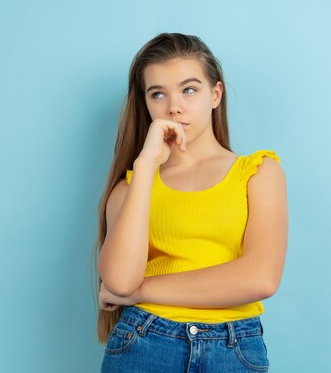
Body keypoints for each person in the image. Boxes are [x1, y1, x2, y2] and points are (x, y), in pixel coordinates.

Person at [92, 32, 288, 372]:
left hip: (233, 349)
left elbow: (260, 278)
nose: (174, 106)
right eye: (157, 94)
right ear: (146, 103)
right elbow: (120, 281)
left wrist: (141, 292)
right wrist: (146, 165)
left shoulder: (258, 173)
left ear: (215, 94)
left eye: (189, 89)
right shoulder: (131, 188)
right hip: (144, 342)